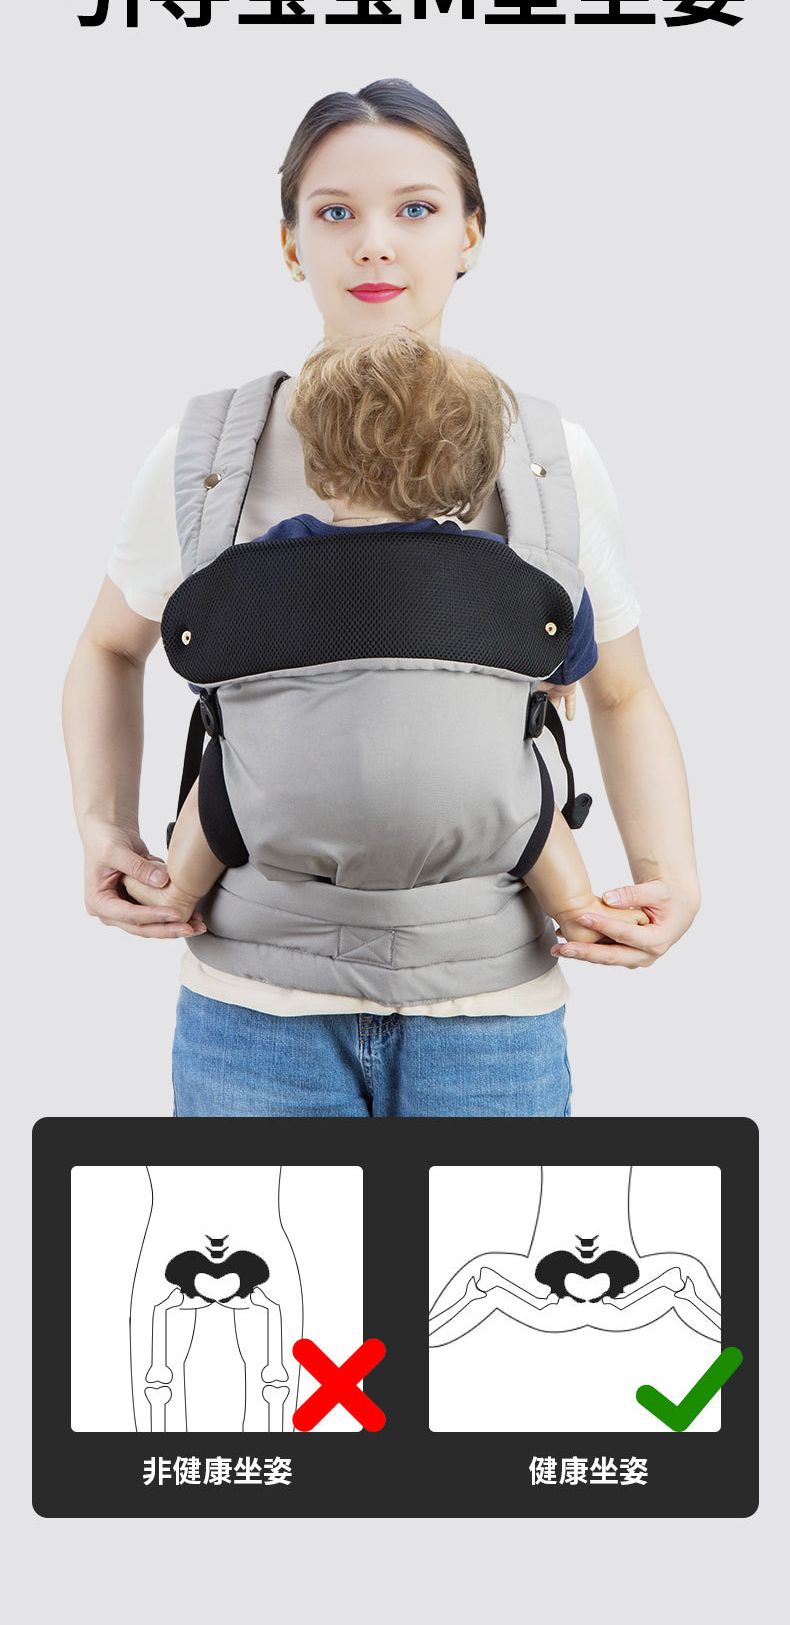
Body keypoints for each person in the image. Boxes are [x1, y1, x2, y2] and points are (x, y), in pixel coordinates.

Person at [62, 77, 700, 1119]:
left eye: (415, 208)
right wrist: (103, 829)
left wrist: (669, 874)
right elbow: (108, 646)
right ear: (289, 243)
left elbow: (620, 690)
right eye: (333, 213)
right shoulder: (209, 455)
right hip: (252, 1012)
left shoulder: (546, 458)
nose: (373, 245)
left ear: (470, 233)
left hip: (491, 1014)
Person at [124, 327, 648, 959]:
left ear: (318, 463)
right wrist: (556, 681)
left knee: (221, 780)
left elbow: (206, 667)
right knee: (531, 806)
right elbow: (567, 645)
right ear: (469, 471)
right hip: (472, 805)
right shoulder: (508, 573)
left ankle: (176, 892)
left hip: (277, 802)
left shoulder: (255, 565)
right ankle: (577, 907)